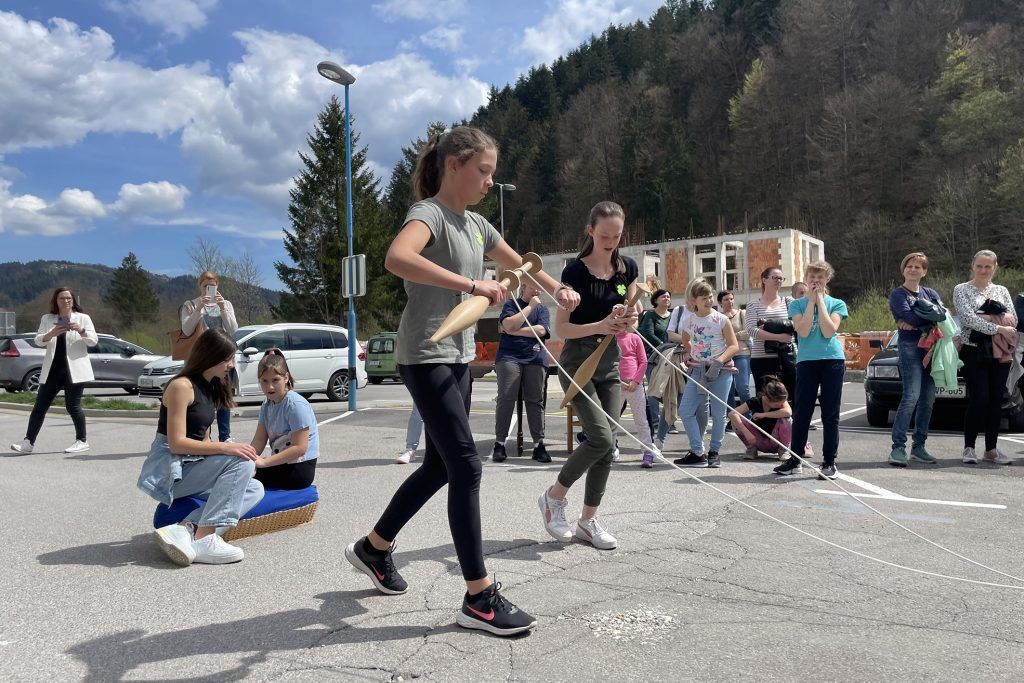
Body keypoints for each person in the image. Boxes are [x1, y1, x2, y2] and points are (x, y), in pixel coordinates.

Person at [343, 126, 579, 638]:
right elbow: (397, 258)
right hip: (424, 353)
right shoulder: (429, 214)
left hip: (458, 356)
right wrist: (473, 285)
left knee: (439, 466)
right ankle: (479, 597)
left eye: (493, 173)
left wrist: (558, 288)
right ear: (454, 166)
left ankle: (374, 548)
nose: (490, 182)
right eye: (484, 171)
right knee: (467, 465)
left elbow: (520, 265)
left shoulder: (476, 225)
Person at [538, 201, 638, 553]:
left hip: (610, 362)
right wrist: (600, 325)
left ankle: (588, 520)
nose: (611, 242)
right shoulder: (574, 272)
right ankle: (554, 497)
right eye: (605, 235)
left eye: (617, 236)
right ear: (591, 231)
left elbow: (631, 316)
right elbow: (562, 328)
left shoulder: (628, 269)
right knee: (599, 437)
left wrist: (629, 317)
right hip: (578, 361)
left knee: (608, 445)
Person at [137, 329, 265, 566]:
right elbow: (176, 443)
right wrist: (228, 450)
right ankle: (205, 538)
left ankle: (187, 529)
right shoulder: (181, 386)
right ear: (210, 356)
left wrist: (229, 455)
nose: (231, 365)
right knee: (241, 461)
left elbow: (204, 443)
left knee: (255, 488)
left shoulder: (210, 387)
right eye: (227, 359)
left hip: (192, 467)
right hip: (172, 473)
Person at [774, 261, 848, 478]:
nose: (816, 281)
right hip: (807, 361)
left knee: (830, 413)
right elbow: (803, 331)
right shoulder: (796, 305)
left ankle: (829, 462)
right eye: (812, 277)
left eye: (820, 277)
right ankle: (795, 459)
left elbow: (828, 331)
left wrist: (821, 302)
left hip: (832, 360)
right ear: (806, 279)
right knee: (802, 411)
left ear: (827, 279)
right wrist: (811, 302)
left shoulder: (837, 303)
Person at [10, 287, 97, 455]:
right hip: (53, 370)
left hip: (75, 370)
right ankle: (28, 443)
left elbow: (93, 341)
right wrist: (51, 333)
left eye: (69, 298)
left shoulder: (83, 318)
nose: (66, 301)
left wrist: (80, 330)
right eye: (62, 298)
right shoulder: (48, 318)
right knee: (39, 407)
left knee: (73, 407)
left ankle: (82, 441)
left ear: (73, 300)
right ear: (56, 301)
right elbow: (38, 340)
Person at [953, 249, 1018, 465]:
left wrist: (988, 319)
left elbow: (1013, 319)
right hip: (974, 350)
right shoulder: (961, 289)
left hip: (1000, 352)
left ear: (995, 268)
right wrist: (999, 327)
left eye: (988, 266)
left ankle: (991, 450)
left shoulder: (1002, 290)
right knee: (979, 398)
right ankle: (969, 448)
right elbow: (968, 319)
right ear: (973, 266)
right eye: (979, 266)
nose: (983, 270)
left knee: (996, 400)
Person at [673, 278, 739, 469]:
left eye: (710, 297)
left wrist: (719, 361)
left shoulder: (721, 319)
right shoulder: (688, 319)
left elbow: (733, 345)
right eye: (704, 298)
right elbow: (685, 338)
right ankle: (697, 452)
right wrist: (692, 352)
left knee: (718, 414)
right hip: (698, 371)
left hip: (721, 371)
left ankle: (714, 452)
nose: (709, 301)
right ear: (694, 300)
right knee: (685, 411)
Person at [887, 252, 942, 467]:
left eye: (918, 267)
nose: (913, 269)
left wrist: (918, 320)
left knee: (928, 399)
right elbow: (908, 316)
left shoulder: (930, 292)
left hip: (931, 348)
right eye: (909, 266)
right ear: (903, 269)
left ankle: (919, 447)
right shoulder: (898, 294)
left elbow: (942, 315)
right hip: (910, 347)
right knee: (911, 396)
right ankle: (898, 448)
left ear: (924, 271)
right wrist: (927, 318)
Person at [491, 281, 551, 463]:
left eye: (538, 287)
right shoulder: (511, 304)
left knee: (535, 399)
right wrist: (529, 307)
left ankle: (538, 444)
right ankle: (500, 444)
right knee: (506, 397)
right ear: (523, 287)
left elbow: (541, 330)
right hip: (509, 356)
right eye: (533, 286)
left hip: (535, 357)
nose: (537, 290)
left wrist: (513, 331)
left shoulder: (543, 309)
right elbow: (508, 323)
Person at [181, 272, 238, 442]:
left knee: (223, 397)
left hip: (222, 357)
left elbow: (233, 329)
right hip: (201, 360)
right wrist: (198, 309)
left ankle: (225, 437)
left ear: (217, 286)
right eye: (205, 286)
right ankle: (202, 437)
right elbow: (186, 330)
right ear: (199, 286)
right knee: (202, 398)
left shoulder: (226, 304)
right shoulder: (190, 305)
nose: (208, 289)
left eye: (212, 286)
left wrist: (222, 308)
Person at [250, 349, 319, 489]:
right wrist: (247, 457)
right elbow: (259, 440)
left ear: (286, 377)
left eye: (275, 380)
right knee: (240, 469)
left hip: (299, 468)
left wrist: (264, 463)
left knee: (244, 476)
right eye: (264, 381)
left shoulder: (295, 404)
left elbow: (300, 448)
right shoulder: (266, 405)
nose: (269, 387)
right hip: (282, 463)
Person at [746, 267, 796, 399]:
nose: (778, 281)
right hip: (761, 358)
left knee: (788, 397)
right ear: (764, 280)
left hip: (786, 356)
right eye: (775, 277)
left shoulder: (789, 302)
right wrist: (779, 336)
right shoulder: (753, 304)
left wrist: (768, 325)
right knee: (765, 398)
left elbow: (796, 325)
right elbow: (752, 330)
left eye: (781, 278)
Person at [616, 329, 657, 468]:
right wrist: (618, 381)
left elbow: (643, 362)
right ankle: (609, 450)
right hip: (616, 385)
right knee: (611, 419)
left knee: (641, 420)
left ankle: (648, 451)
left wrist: (636, 381)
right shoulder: (609, 339)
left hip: (635, 385)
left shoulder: (635, 338)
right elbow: (606, 363)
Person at [729, 375, 792, 459]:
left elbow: (788, 412)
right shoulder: (755, 401)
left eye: (782, 403)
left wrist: (763, 415)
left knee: (787, 419)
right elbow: (732, 413)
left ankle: (783, 450)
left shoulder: (781, 399)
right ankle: (751, 449)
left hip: (776, 441)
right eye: (777, 404)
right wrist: (746, 432)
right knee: (735, 420)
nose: (781, 405)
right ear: (768, 399)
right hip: (757, 441)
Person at [638, 288, 673, 439]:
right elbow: (648, 334)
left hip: (671, 357)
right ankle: (655, 421)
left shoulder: (673, 316)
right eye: (663, 296)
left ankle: (669, 421)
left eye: (668, 296)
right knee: (654, 389)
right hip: (653, 357)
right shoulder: (650, 315)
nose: (666, 298)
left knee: (670, 389)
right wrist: (663, 347)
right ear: (655, 300)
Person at [719, 290, 751, 409]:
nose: (730, 301)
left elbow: (748, 333)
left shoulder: (742, 313)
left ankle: (747, 415)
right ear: (720, 302)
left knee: (743, 387)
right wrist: (736, 335)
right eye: (726, 299)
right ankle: (731, 416)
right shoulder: (719, 317)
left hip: (742, 352)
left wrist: (731, 336)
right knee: (728, 389)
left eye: (731, 299)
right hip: (725, 355)